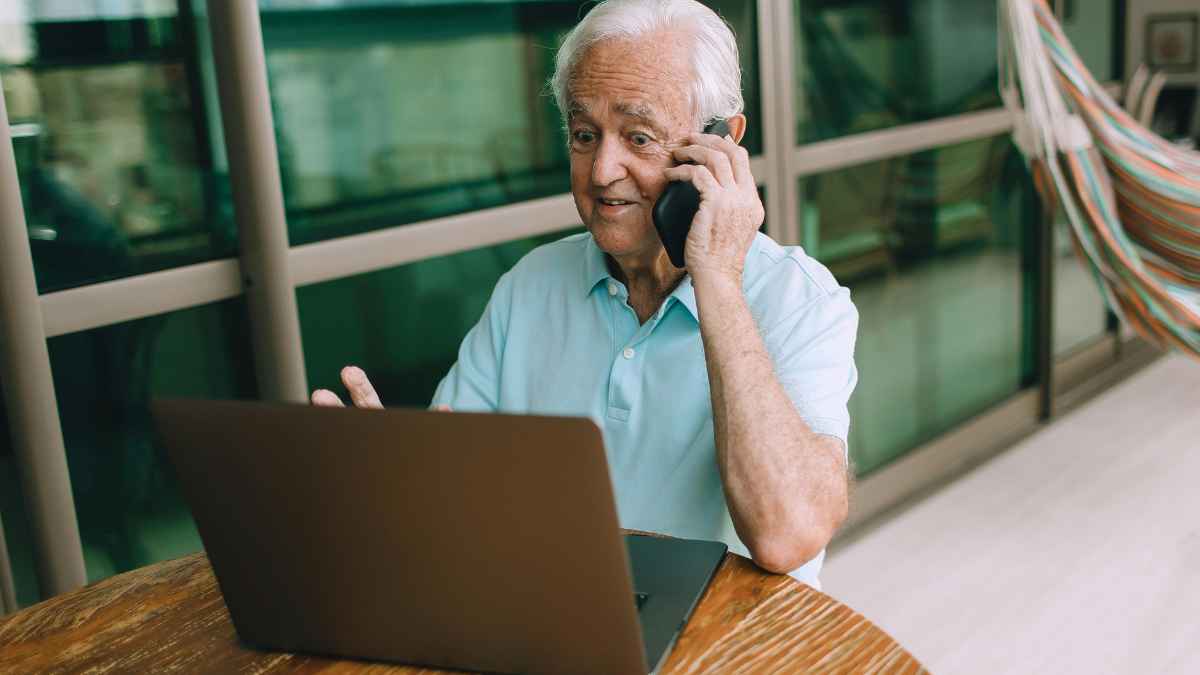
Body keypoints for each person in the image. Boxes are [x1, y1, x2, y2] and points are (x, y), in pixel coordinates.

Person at [312, 0, 858, 587]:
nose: (601, 172)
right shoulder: (530, 285)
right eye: (584, 135)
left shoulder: (802, 301)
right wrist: (397, 485)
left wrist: (718, 277)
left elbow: (787, 534)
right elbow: (456, 487)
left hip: (722, 631)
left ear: (722, 144)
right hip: (556, 611)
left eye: (639, 137)